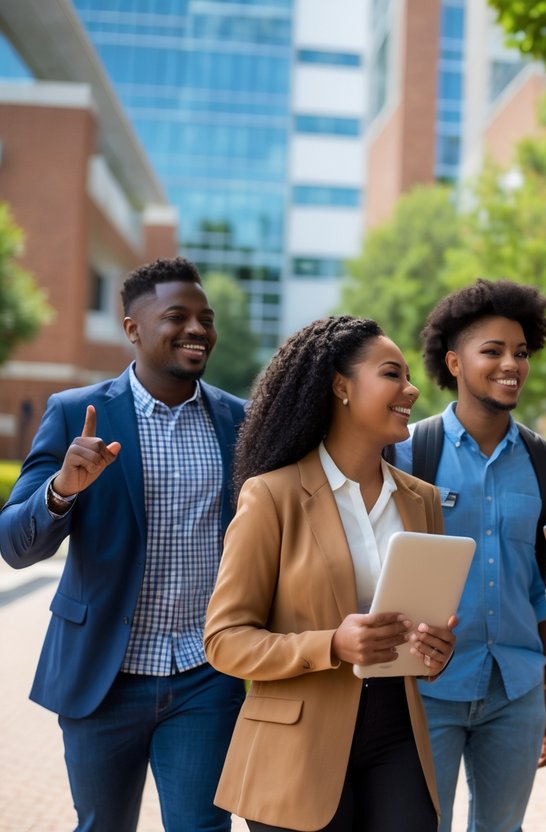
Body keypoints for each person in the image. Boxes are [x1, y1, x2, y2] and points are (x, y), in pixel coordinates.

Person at [0, 257, 246, 832]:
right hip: (104, 677)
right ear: (132, 328)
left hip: (205, 673)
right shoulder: (74, 415)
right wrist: (61, 491)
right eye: (177, 316)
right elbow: (15, 546)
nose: (197, 329)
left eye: (205, 318)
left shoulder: (238, 421)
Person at [204, 316, 456, 832]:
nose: (411, 389)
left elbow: (428, 623)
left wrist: (437, 650)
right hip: (295, 745)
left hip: (397, 734)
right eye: (392, 374)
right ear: (341, 386)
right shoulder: (271, 495)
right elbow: (224, 640)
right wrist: (332, 645)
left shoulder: (422, 499)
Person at [391, 279, 546, 832]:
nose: (510, 363)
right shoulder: (408, 452)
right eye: (492, 351)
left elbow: (541, 589)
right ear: (455, 362)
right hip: (428, 688)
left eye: (520, 352)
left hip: (515, 689)